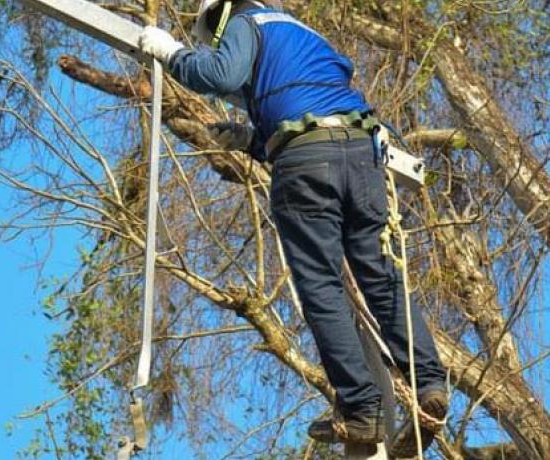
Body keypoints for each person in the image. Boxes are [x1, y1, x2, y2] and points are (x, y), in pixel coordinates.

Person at [139, 1, 448, 455]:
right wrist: (252, 140)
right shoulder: (304, 37)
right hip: (361, 156)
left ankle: (363, 410)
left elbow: (221, 76)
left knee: (322, 285)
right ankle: (430, 384)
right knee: (380, 277)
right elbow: (303, 101)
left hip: (308, 162)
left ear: (221, 14)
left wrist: (173, 54)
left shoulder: (246, 23)